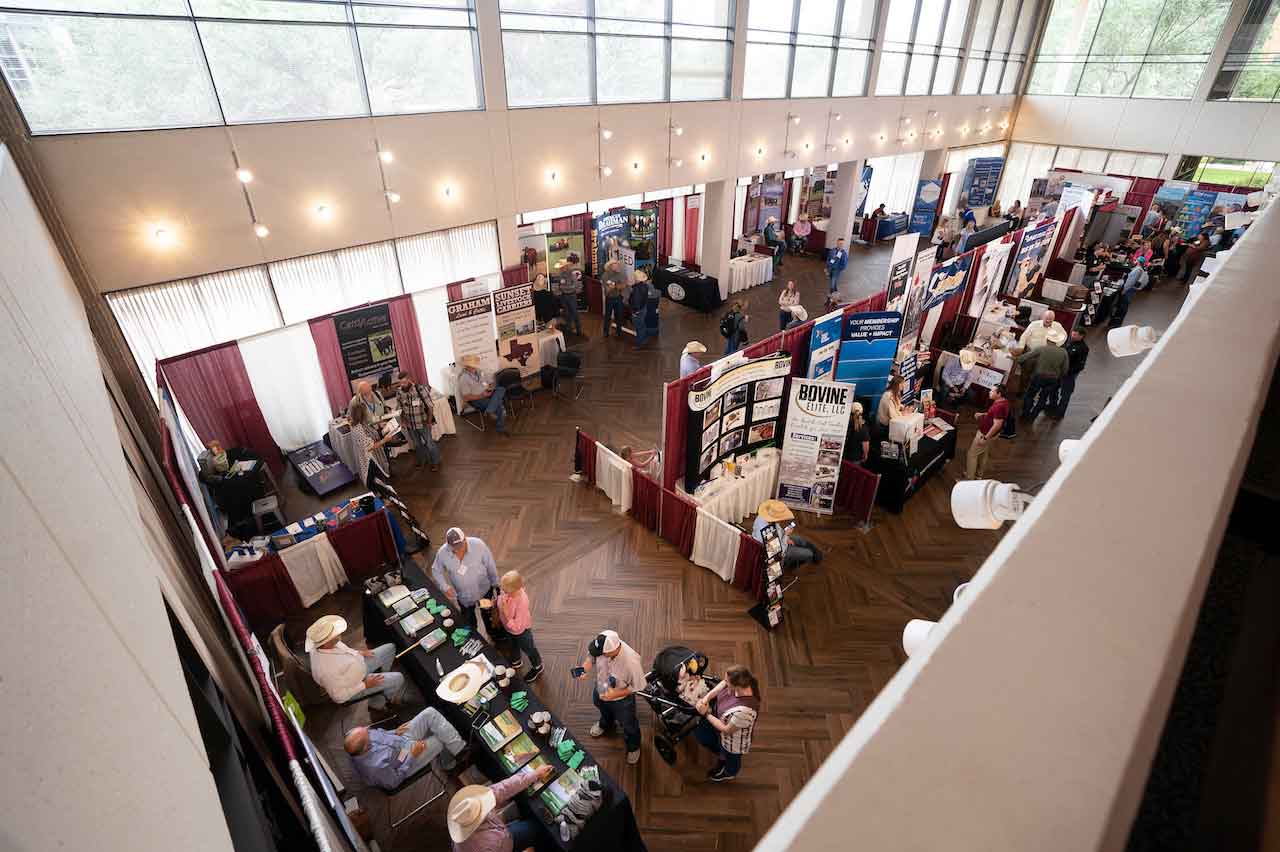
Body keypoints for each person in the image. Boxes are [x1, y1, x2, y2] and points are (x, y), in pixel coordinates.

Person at [344, 708, 467, 790]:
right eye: (367, 733)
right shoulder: (374, 769)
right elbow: (393, 782)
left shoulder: (359, 736)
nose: (367, 729)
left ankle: (459, 749)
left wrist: (394, 732)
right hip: (404, 760)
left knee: (429, 713)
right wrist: (412, 755)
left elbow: (379, 733)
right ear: (366, 746)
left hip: (400, 740)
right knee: (440, 740)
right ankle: (448, 764)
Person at [447, 764, 554, 852]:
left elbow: (503, 788)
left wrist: (534, 775)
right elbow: (504, 842)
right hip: (504, 843)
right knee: (537, 828)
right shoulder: (495, 842)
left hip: (497, 832)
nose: (484, 802)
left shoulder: (465, 808)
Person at [576, 629, 645, 764]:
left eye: (602, 653)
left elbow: (638, 686)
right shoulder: (602, 646)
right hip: (602, 687)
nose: (599, 655)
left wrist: (616, 694)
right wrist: (584, 668)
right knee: (602, 707)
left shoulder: (631, 662)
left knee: (628, 723)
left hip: (622, 700)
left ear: (610, 651)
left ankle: (634, 745)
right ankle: (606, 724)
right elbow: (591, 656)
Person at [306, 615, 405, 710]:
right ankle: (388, 698)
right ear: (326, 642)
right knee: (399, 678)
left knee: (390, 648)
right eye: (336, 634)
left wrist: (359, 652)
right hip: (355, 685)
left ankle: (384, 677)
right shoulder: (326, 670)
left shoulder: (321, 643)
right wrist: (365, 685)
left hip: (358, 665)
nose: (339, 635)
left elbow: (343, 649)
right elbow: (339, 697)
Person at [693, 665, 761, 782]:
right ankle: (722, 757)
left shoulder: (744, 711)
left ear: (737, 686)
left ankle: (728, 773)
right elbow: (723, 683)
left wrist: (706, 714)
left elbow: (726, 730)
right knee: (709, 739)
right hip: (720, 721)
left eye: (728, 682)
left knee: (731, 758)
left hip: (732, 740)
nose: (725, 683)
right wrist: (706, 699)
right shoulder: (741, 682)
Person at [430, 527, 499, 630]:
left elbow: (490, 565)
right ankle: (473, 635)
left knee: (488, 615)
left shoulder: (479, 545)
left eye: (460, 545)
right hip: (464, 597)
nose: (458, 550)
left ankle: (492, 633)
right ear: (448, 544)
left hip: (484, 591)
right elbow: (436, 570)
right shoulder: (443, 553)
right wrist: (445, 587)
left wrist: (496, 584)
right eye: (454, 547)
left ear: (465, 539)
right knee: (469, 622)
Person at [496, 570, 543, 682]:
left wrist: (507, 615)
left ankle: (538, 666)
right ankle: (516, 660)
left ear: (514, 590)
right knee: (512, 645)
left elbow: (517, 627)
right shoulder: (506, 591)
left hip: (521, 632)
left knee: (529, 648)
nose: (503, 592)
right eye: (502, 590)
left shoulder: (522, 601)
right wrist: (496, 603)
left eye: (505, 591)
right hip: (508, 628)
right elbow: (501, 599)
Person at [1016, 327, 1068, 423]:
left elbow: (1025, 357)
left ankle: (1025, 414)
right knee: (1043, 398)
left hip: (1039, 376)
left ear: (1047, 339)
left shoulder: (1041, 349)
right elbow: (1065, 370)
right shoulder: (1063, 352)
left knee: (1030, 395)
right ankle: (1032, 417)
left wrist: (1016, 359)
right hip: (1053, 379)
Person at [751, 499, 822, 569]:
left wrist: (786, 537)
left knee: (800, 540)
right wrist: (786, 536)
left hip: (779, 541)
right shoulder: (767, 532)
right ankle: (787, 565)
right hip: (774, 554)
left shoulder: (764, 517)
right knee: (808, 553)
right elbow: (779, 553)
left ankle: (817, 554)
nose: (782, 519)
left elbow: (778, 531)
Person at [395, 370, 441, 472]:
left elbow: (430, 406)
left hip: (423, 422)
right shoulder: (399, 392)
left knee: (429, 443)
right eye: (401, 383)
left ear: (409, 380)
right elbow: (400, 408)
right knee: (417, 444)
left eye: (404, 382)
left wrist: (429, 421)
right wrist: (403, 421)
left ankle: (435, 462)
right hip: (410, 424)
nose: (402, 385)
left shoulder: (420, 389)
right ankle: (422, 461)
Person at [457, 354, 509, 436]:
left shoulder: (480, 371)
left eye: (474, 365)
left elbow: (490, 382)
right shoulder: (463, 378)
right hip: (476, 399)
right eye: (472, 366)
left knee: (501, 389)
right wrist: (482, 395)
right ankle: (500, 427)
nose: (474, 367)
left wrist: (491, 387)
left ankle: (489, 410)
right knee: (498, 405)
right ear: (466, 366)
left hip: (487, 393)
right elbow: (466, 398)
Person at [965, 384, 1009, 479]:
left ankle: (969, 479)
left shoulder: (999, 407)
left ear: (999, 394)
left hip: (985, 434)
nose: (990, 392)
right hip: (992, 435)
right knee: (983, 454)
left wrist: (985, 438)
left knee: (971, 454)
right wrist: (983, 414)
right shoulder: (1003, 401)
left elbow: (997, 424)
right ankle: (978, 475)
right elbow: (994, 415)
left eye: (992, 391)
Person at [349, 402, 393, 488]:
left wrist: (380, 425)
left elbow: (368, 429)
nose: (368, 413)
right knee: (378, 484)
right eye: (366, 411)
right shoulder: (358, 429)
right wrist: (385, 440)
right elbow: (370, 447)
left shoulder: (358, 424)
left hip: (372, 458)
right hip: (370, 461)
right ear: (362, 414)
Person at [1051, 327, 1089, 419]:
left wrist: (1068, 371)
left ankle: (1060, 413)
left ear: (1081, 336)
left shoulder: (1083, 348)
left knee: (1065, 394)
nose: (1072, 336)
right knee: (1053, 389)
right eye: (1072, 334)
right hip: (1060, 371)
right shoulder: (1070, 342)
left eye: (1075, 335)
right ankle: (1052, 406)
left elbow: (1080, 365)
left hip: (1069, 374)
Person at [1110, 259, 1148, 328]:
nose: (1134, 261)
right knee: (1125, 305)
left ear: (1138, 262)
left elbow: (1130, 281)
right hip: (1132, 290)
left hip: (1128, 290)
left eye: (1136, 260)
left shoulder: (1137, 270)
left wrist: (1124, 290)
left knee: (1122, 306)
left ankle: (1116, 322)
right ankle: (1118, 321)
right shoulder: (1141, 270)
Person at [554, 260, 584, 337]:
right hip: (564, 296)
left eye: (563, 267)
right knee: (567, 313)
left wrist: (564, 288)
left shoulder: (572, 274)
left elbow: (575, 286)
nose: (562, 268)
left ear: (566, 267)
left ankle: (578, 330)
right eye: (561, 267)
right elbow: (559, 286)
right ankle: (569, 329)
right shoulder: (560, 275)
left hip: (571, 296)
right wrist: (564, 288)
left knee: (574, 312)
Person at [601, 259, 628, 338]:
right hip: (609, 298)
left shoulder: (621, 273)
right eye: (615, 265)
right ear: (610, 266)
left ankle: (619, 332)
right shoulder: (605, 275)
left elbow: (624, 285)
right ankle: (606, 332)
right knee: (608, 316)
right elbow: (607, 289)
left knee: (619, 316)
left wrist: (615, 286)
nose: (618, 266)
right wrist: (618, 285)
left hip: (618, 297)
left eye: (617, 264)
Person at [629, 270, 653, 348]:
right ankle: (644, 339)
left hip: (638, 310)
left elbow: (636, 301)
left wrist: (635, 311)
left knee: (638, 327)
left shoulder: (637, 289)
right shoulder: (645, 285)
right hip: (643, 308)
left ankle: (640, 343)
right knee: (642, 325)